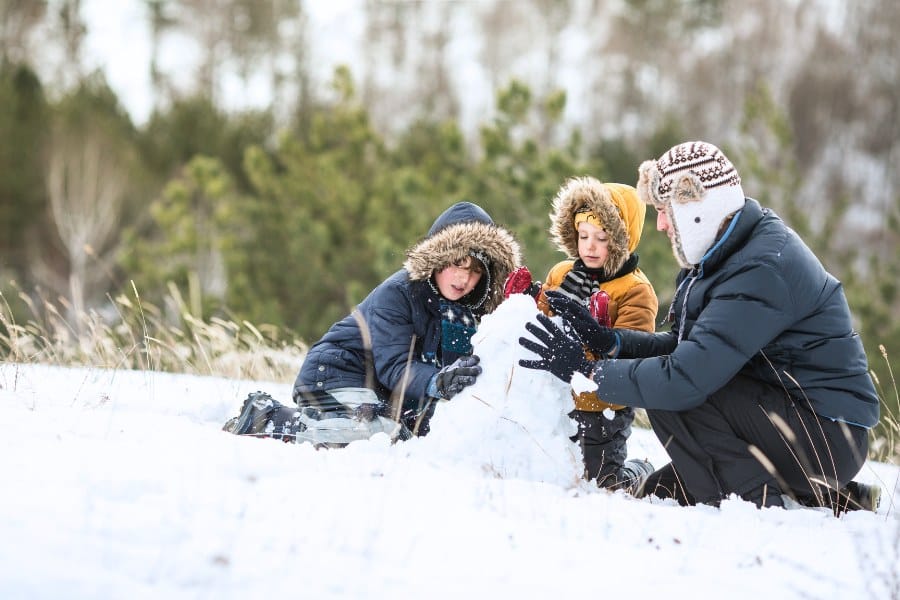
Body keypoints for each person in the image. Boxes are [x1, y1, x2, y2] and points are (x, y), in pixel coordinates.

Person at [517, 141, 882, 513]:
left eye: (664, 211)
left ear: (696, 210)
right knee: (651, 493)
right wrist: (611, 342)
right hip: (787, 415)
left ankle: (758, 504)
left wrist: (587, 371)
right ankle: (819, 495)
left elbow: (682, 378)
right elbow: (684, 348)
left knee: (667, 390)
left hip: (825, 436)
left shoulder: (760, 269)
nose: (659, 224)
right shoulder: (726, 253)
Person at [223, 201, 521, 445]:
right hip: (337, 373)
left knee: (403, 439)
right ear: (439, 258)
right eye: (458, 263)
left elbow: (463, 378)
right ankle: (266, 417)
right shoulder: (400, 292)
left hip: (384, 398)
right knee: (370, 439)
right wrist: (436, 381)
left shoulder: (468, 315)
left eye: (476, 271)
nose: (464, 278)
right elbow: (395, 367)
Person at [505, 177, 658, 492]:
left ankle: (640, 469)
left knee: (602, 483)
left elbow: (632, 356)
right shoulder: (562, 274)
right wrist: (525, 302)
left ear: (621, 240)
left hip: (603, 406)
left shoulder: (635, 291)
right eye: (583, 234)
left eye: (601, 237)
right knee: (558, 474)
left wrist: (600, 336)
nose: (588, 245)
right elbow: (544, 322)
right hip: (557, 396)